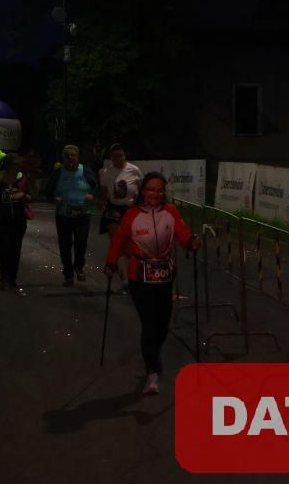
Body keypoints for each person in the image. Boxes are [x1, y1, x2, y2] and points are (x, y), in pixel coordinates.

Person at [104, 172, 200, 396]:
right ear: (143, 191)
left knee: (162, 324)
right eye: (151, 189)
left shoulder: (171, 212)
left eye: (159, 190)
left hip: (163, 275)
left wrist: (191, 241)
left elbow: (183, 234)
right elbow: (118, 240)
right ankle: (152, 371)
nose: (155, 194)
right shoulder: (132, 214)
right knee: (149, 323)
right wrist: (111, 262)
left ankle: (152, 355)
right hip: (139, 275)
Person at [43, 145, 98, 286]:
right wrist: (54, 198)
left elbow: (96, 186)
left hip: (82, 214)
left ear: (77, 157)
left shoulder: (85, 171)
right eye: (67, 155)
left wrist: (92, 195)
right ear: (63, 157)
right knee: (65, 245)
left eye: (73, 155)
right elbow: (47, 190)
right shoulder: (58, 172)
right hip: (64, 214)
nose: (70, 158)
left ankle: (78, 266)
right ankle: (68, 274)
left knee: (81, 242)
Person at [97, 144, 143, 292]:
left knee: (130, 245)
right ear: (111, 158)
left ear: (125, 156)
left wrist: (140, 203)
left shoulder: (134, 170)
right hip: (114, 209)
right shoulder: (107, 172)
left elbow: (142, 188)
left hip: (130, 209)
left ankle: (136, 275)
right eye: (115, 156)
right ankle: (125, 280)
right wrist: (102, 202)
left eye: (121, 156)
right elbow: (103, 190)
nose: (118, 159)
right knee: (117, 243)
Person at [0, 154, 30, 292]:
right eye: (16, 163)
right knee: (4, 250)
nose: (18, 166)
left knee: (15, 250)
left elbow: (32, 194)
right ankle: (3, 279)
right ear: (8, 165)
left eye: (19, 164)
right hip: (3, 219)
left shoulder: (22, 178)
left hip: (19, 220)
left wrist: (23, 195)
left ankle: (12, 279)